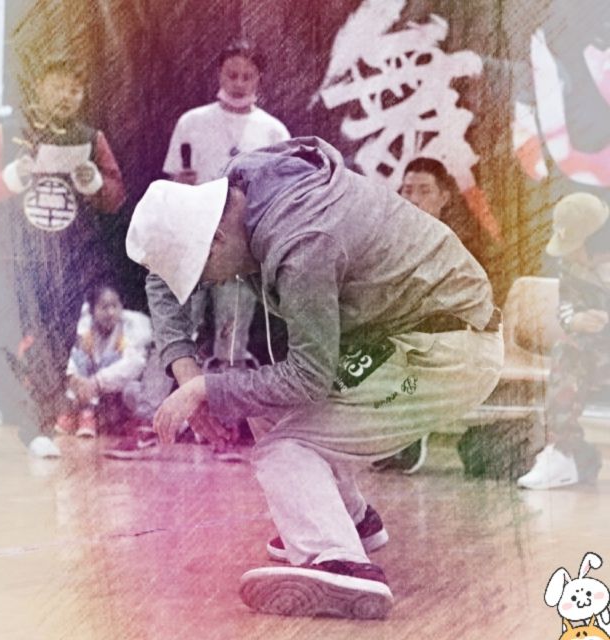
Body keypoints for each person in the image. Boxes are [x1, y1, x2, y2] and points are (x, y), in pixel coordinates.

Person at [126, 137, 503, 619]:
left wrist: (208, 388)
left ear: (215, 240)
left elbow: (309, 377)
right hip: (410, 335)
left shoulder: (302, 243)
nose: (212, 284)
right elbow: (160, 279)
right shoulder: (238, 188)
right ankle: (350, 520)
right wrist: (188, 375)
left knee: (284, 449)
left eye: (204, 275)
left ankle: (341, 563)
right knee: (261, 407)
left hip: (445, 354)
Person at [0, 58, 125, 457]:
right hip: (12, 258)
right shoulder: (10, 132)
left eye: (74, 90)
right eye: (58, 87)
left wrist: (95, 183)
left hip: (65, 262)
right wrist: (10, 178)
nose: (66, 96)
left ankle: (37, 429)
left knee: (54, 349)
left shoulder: (91, 138)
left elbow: (115, 198)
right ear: (39, 87)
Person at [162, 38, 290, 383]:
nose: (238, 84)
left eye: (247, 76)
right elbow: (175, 183)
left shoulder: (273, 130)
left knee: (232, 333)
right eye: (232, 75)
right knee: (183, 324)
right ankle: (177, 395)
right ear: (219, 73)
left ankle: (227, 397)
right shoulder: (192, 122)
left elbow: (278, 193)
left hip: (239, 242)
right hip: (194, 237)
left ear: (259, 78)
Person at [377, 157, 489, 474]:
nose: (413, 199)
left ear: (444, 197)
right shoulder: (388, 242)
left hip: (449, 335)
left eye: (424, 191)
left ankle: (408, 435)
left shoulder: (464, 244)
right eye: (407, 190)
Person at [518, 193, 609, 490]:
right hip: (601, 348)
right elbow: (566, 306)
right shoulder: (570, 267)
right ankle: (563, 454)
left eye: (576, 245)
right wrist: (576, 320)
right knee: (567, 351)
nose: (568, 253)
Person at [54, 281, 152, 438]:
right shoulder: (87, 328)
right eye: (104, 307)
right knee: (80, 359)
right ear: (93, 310)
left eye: (115, 306)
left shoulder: (132, 326)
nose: (110, 312)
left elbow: (134, 365)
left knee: (110, 361)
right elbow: (76, 357)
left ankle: (90, 414)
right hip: (93, 390)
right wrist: (74, 378)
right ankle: (84, 414)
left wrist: (96, 382)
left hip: (122, 389)